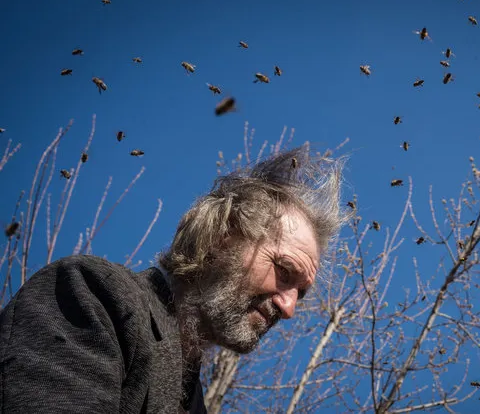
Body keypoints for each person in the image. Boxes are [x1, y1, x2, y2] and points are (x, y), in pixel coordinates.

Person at [0, 146, 346, 414]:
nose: (289, 308)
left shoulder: (194, 397)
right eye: (284, 271)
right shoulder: (94, 293)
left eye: (300, 294)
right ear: (223, 235)